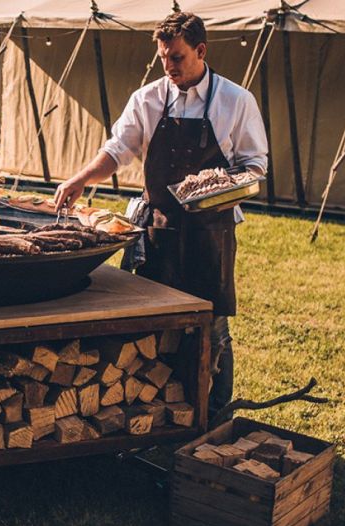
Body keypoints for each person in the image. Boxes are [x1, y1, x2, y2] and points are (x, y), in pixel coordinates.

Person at [53, 12, 268, 417]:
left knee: (213, 328)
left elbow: (255, 166)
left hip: (211, 230)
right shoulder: (148, 98)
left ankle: (214, 414)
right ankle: (154, 411)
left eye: (177, 58)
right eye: (163, 57)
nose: (168, 67)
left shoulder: (236, 101)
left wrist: (218, 189)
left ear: (201, 51)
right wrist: (81, 178)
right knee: (153, 326)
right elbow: (118, 150)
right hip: (159, 229)